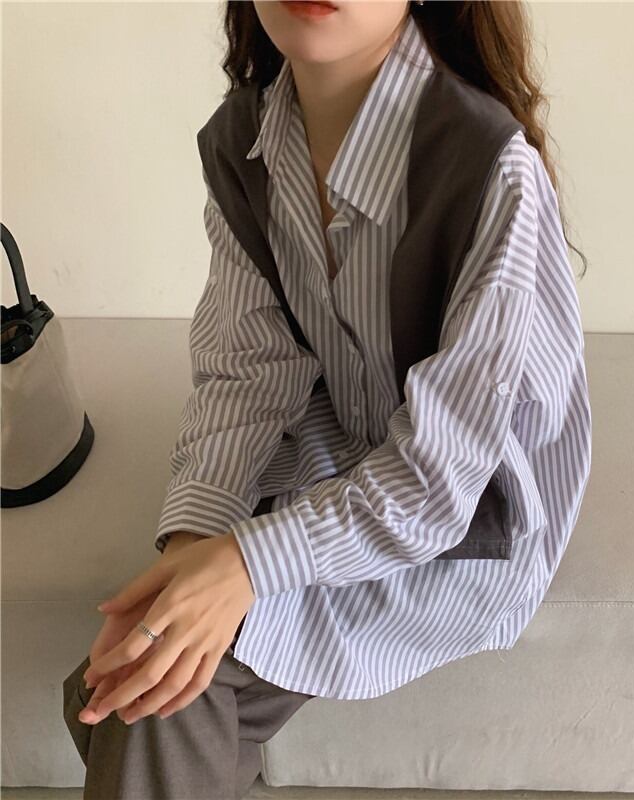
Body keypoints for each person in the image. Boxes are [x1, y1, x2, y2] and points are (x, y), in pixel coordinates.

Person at [62, 1, 592, 797]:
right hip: (342, 434)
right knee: (144, 677)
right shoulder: (244, 141)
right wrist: (188, 559)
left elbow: (441, 478)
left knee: (141, 699)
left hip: (467, 509)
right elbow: (249, 371)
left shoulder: (487, 167)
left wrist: (244, 562)